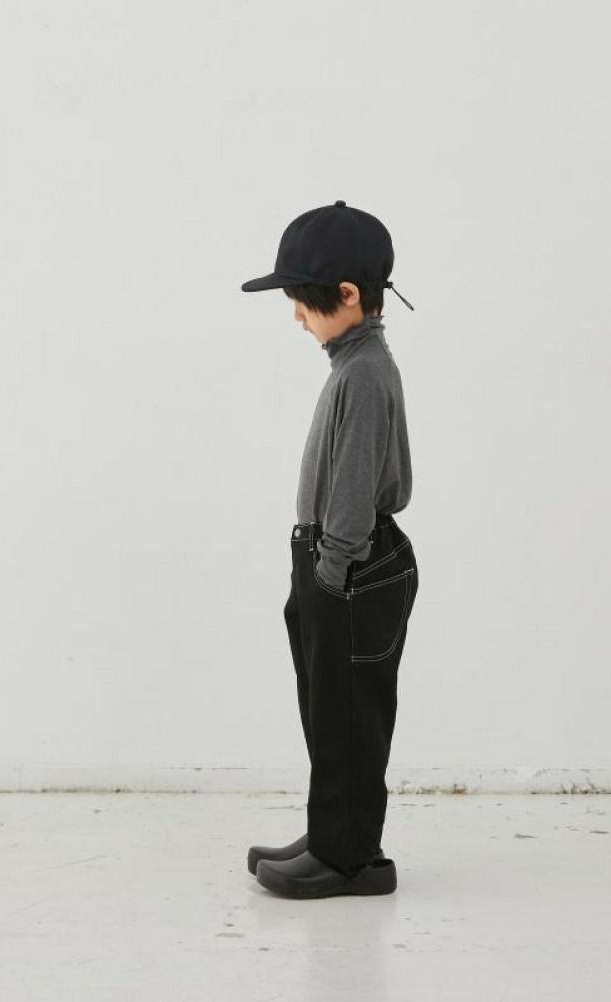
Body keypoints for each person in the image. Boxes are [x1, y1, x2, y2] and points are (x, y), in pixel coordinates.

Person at [240, 199, 419, 898]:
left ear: (347, 295)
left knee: (348, 716)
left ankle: (351, 859)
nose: (296, 316)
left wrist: (332, 564)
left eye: (302, 300)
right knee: (327, 707)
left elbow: (352, 486)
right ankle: (332, 831)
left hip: (352, 564)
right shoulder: (352, 363)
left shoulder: (365, 373)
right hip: (333, 561)